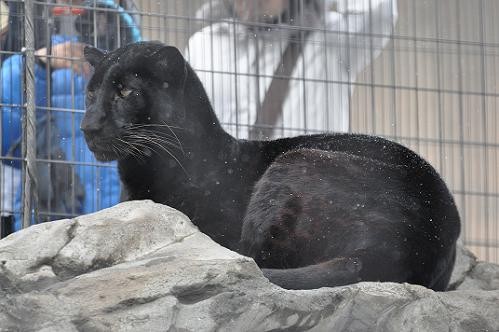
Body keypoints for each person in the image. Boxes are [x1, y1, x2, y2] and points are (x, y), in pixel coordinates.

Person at [0, 0, 141, 234]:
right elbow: (8, 136)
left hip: (124, 220)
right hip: (56, 221)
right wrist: (41, 62)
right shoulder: (46, 51)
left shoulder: (139, 64)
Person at [186, 0, 398, 139]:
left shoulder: (334, 39)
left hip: (308, 199)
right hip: (223, 199)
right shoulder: (204, 44)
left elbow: (380, 11)